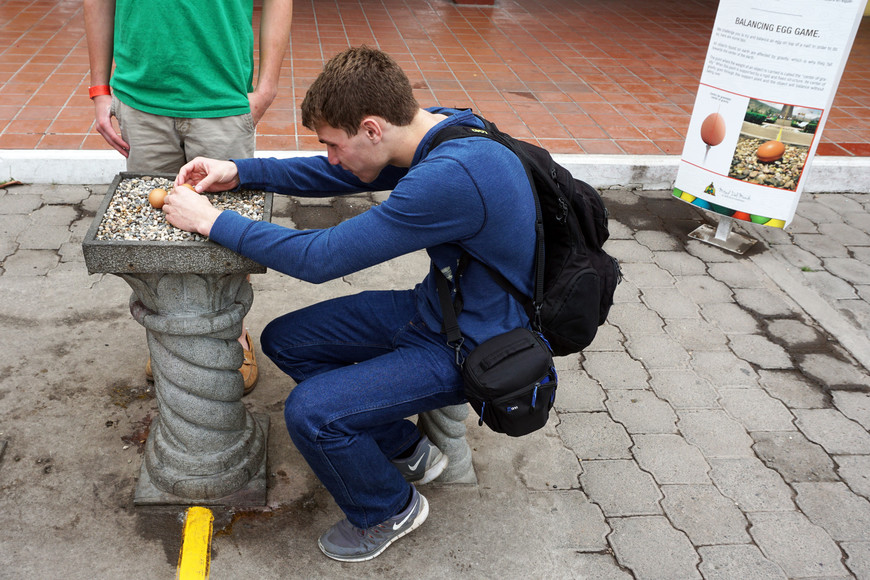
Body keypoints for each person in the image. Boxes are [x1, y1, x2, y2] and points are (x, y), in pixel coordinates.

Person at [162, 46, 538, 562]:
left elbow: (321, 259)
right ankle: (405, 448)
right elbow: (339, 174)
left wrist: (211, 222)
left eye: (335, 143)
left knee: (313, 414)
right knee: (287, 340)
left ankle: (389, 508)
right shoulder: (443, 127)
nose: (332, 155)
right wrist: (239, 171)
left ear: (372, 128)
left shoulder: (452, 177)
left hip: (476, 345)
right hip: (441, 310)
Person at [83, 0, 293, 393]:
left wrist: (266, 89)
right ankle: (173, 334)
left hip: (222, 98)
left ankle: (233, 334)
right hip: (141, 98)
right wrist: (99, 89)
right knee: (156, 228)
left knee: (227, 231)